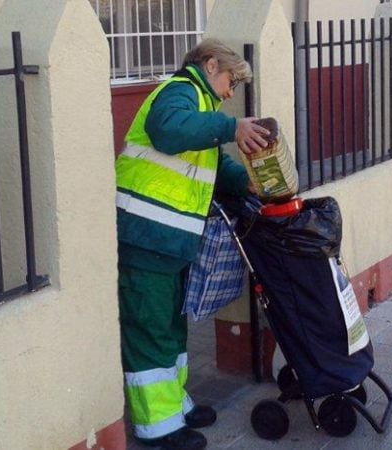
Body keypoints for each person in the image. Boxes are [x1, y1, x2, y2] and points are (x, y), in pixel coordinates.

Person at [115, 39, 269, 450]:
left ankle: (174, 404)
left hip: (169, 239)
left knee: (169, 325)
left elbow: (211, 165)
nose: (231, 92)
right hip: (146, 235)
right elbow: (167, 132)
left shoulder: (201, 107)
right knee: (149, 328)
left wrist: (245, 182)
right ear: (210, 63)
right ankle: (157, 426)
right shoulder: (180, 92)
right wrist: (230, 127)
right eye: (230, 80)